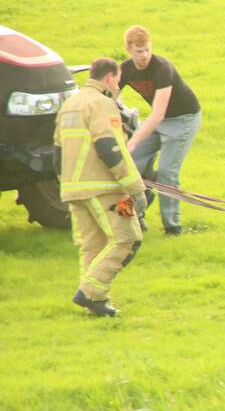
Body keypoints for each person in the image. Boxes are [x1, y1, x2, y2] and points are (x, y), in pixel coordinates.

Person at [53, 58, 147, 317]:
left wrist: (66, 184)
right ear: (109, 77)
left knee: (92, 246)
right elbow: (110, 148)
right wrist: (135, 187)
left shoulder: (69, 105)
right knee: (128, 237)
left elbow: (57, 154)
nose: (118, 86)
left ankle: (95, 304)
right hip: (106, 189)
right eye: (117, 80)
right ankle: (89, 292)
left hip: (73, 189)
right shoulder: (103, 104)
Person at [118, 25, 201, 236]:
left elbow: (158, 113)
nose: (144, 55)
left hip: (183, 119)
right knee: (131, 162)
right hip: (159, 120)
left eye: (147, 49)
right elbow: (109, 99)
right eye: (139, 51)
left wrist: (133, 141)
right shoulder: (125, 69)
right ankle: (137, 213)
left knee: (166, 170)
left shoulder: (162, 68)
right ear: (129, 49)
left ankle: (172, 226)